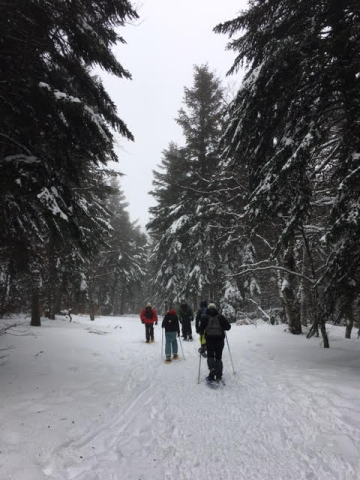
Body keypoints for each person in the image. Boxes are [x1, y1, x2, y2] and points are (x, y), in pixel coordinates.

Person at [199, 303, 231, 383]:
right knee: (218, 357)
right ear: (215, 308)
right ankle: (219, 375)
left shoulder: (205, 317)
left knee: (210, 356)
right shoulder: (220, 317)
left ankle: (212, 371)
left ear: (208, 308)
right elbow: (228, 327)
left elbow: (200, 330)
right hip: (220, 341)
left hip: (209, 340)